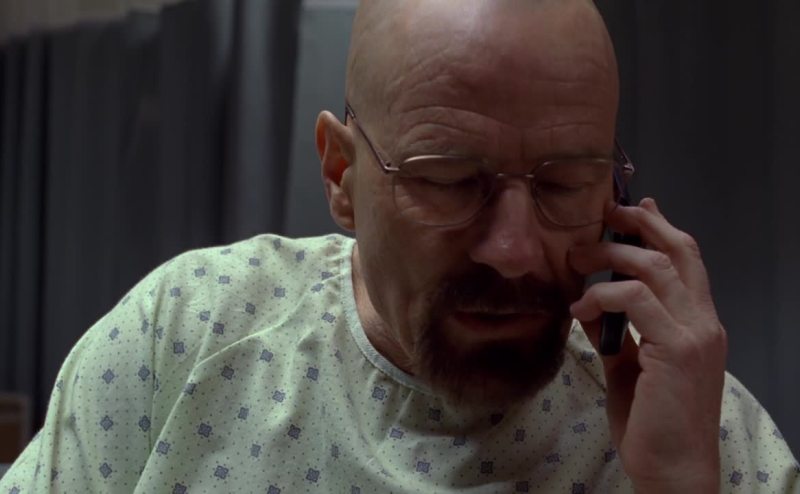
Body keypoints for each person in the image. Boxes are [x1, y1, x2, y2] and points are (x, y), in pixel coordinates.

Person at [1, 0, 798, 492]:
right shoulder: (181, 337)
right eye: (450, 180)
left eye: (564, 185)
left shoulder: (696, 424)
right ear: (341, 175)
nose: (515, 250)